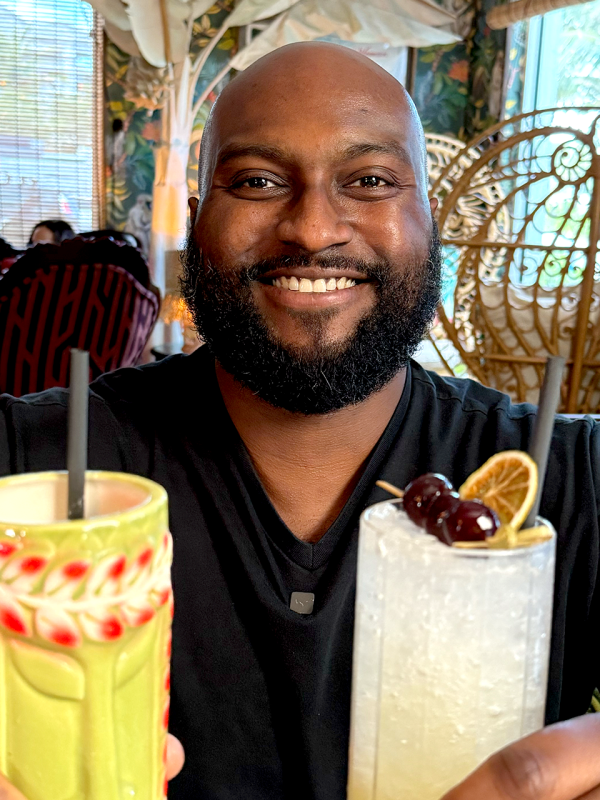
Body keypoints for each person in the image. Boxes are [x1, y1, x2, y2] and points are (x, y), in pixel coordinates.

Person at [0, 42, 599, 800]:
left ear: (430, 220)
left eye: (371, 180)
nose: (313, 229)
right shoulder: (31, 468)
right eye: (256, 181)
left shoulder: (573, 477)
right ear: (197, 221)